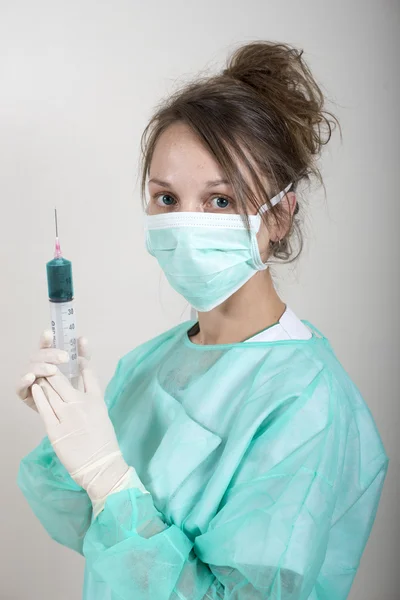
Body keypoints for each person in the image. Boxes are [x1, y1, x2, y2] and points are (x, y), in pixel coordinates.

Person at [17, 41, 388, 600]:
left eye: (220, 201)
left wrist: (109, 476)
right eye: (166, 199)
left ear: (281, 215)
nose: (186, 225)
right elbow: (90, 532)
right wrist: (69, 422)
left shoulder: (306, 402)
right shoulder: (155, 362)